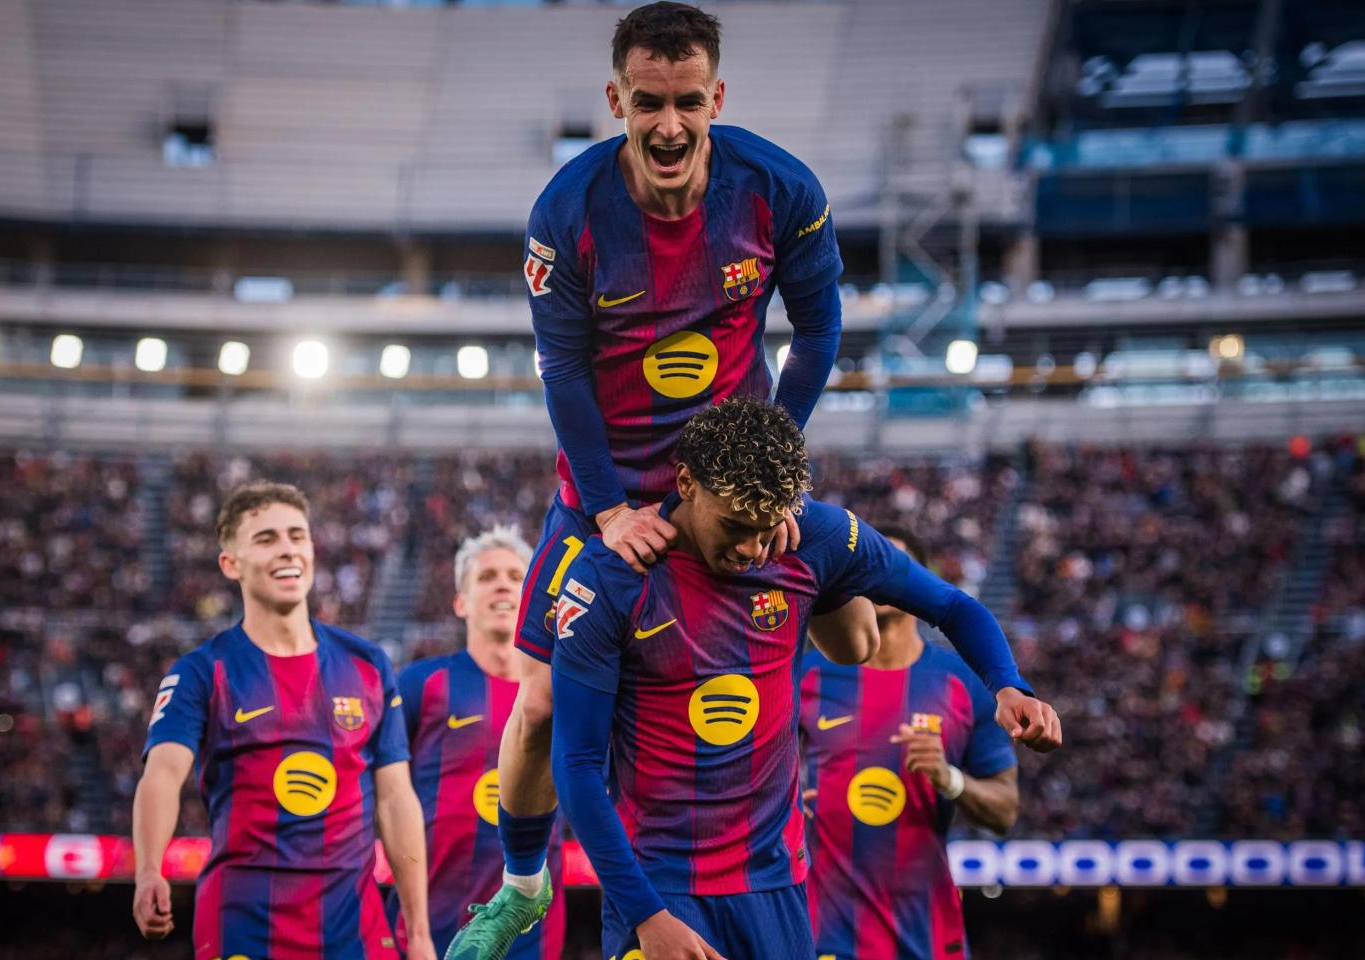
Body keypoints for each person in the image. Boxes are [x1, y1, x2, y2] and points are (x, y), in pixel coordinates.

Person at [451, 5, 882, 953]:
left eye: (690, 102)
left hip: (730, 490)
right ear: (618, 100)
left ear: (717, 98)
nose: (671, 125)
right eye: (649, 103)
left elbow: (820, 333)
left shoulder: (780, 190)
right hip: (604, 490)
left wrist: (765, 468)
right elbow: (562, 371)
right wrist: (607, 509)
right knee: (539, 705)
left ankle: (766, 850)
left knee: (854, 638)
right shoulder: (566, 214)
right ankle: (524, 887)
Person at [547, 399, 1061, 960]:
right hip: (662, 890)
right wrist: (647, 916)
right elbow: (575, 765)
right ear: (687, 483)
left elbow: (954, 607)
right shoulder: (609, 579)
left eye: (766, 530)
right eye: (736, 526)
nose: (751, 549)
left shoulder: (816, 536)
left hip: (778, 887)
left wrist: (1009, 685)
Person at [131, 482, 436, 960]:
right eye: (266, 538)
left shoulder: (368, 665)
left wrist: (417, 932)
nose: (288, 549)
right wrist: (149, 869)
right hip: (244, 919)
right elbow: (163, 775)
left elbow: (397, 800)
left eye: (297, 535)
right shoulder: (202, 671)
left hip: (353, 923)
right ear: (231, 564)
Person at [800, 527, 1021, 960]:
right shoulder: (807, 674)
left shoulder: (964, 682)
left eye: (889, 567)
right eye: (867, 567)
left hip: (928, 934)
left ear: (916, 580)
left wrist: (950, 779)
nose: (877, 580)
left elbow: (1005, 810)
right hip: (826, 934)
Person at [391, 526, 565, 959]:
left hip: (536, 936)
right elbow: (384, 795)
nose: (503, 584)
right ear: (460, 602)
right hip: (430, 928)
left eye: (515, 576)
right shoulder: (419, 684)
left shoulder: (568, 694)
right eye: (487, 577)